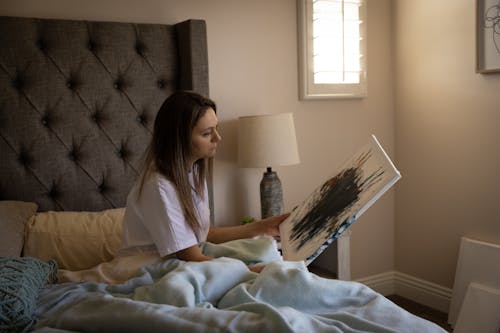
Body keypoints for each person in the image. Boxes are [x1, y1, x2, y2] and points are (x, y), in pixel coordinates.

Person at [121, 91, 289, 272]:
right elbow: (191, 257)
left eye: (216, 129)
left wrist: (262, 226)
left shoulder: (192, 172)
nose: (218, 138)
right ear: (179, 138)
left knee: (264, 252)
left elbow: (205, 234)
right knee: (268, 271)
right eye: (207, 133)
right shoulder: (159, 187)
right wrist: (252, 272)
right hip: (150, 268)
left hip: (185, 261)